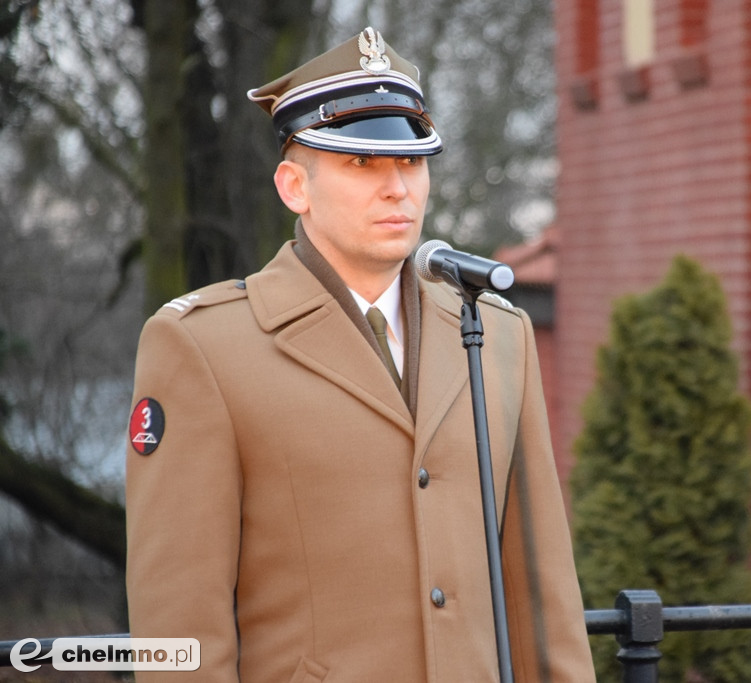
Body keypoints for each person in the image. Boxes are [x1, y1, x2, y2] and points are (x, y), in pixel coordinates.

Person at [124, 26, 596, 682]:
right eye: (362, 164)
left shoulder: (495, 332)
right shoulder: (205, 346)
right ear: (295, 187)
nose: (398, 188)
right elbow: (179, 625)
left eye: (410, 162)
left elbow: (543, 596)